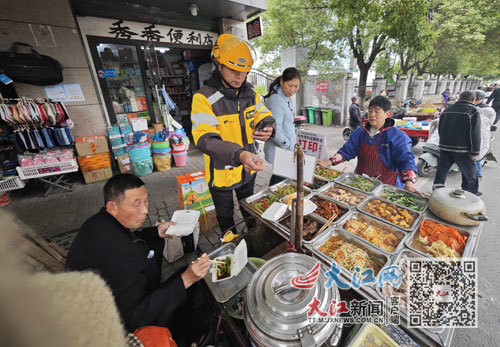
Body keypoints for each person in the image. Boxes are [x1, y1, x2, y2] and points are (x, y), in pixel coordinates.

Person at [66, 174, 210, 345]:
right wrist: (186, 279)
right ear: (113, 206)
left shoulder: (99, 222)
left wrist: (156, 232)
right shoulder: (120, 255)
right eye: (137, 204)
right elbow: (135, 318)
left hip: (110, 298)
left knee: (184, 278)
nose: (145, 210)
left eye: (146, 201)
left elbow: (131, 238)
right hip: (118, 329)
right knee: (188, 282)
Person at [191, 33, 275, 233]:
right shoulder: (204, 98)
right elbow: (206, 140)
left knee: (250, 209)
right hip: (221, 174)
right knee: (226, 217)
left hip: (248, 168)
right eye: (233, 70)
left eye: (244, 71)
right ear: (218, 65)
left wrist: (268, 125)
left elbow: (263, 113)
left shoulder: (250, 94)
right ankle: (231, 250)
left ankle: (254, 237)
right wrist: (239, 154)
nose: (240, 76)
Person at [318, 96, 419, 193]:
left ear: (387, 114)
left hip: (386, 186)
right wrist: (328, 163)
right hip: (360, 182)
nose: (372, 115)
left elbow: (406, 159)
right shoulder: (360, 132)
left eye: (376, 111)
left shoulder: (397, 136)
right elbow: (347, 151)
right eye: (370, 111)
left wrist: (409, 183)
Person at [433, 90, 481, 195]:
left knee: (442, 170)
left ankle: (437, 192)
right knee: (470, 173)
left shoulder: (447, 110)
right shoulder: (473, 111)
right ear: (473, 99)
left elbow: (440, 128)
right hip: (463, 149)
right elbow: (475, 133)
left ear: (459, 98)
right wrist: (475, 152)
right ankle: (470, 194)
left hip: (445, 146)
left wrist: (443, 142)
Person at [263, 67, 301, 186]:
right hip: (281, 148)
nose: (293, 90)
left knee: (280, 178)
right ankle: (273, 201)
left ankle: (273, 199)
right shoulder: (277, 100)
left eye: (296, 86)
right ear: (281, 82)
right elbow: (275, 127)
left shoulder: (285, 97)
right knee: (279, 181)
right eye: (290, 85)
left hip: (285, 148)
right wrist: (287, 144)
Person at [473, 89, 496, 178]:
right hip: (469, 134)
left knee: (476, 155)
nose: (474, 100)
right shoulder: (471, 107)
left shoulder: (488, 110)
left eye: (476, 98)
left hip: (480, 135)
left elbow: (489, 124)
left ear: (481, 99)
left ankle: (478, 174)